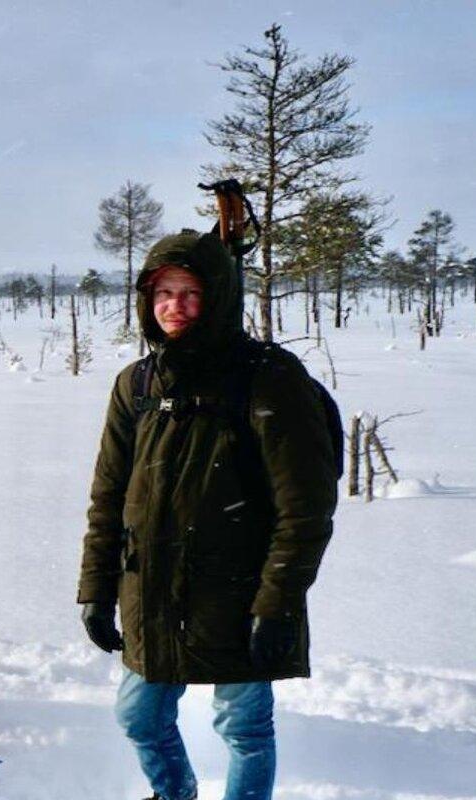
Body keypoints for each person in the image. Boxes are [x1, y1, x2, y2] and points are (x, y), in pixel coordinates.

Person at [77, 229, 338, 800]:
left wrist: (277, 604)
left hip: (240, 590)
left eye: (191, 292)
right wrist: (96, 588)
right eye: (162, 292)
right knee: (140, 716)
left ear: (217, 297)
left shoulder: (268, 374)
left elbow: (306, 509)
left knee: (242, 727)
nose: (174, 306)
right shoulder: (138, 382)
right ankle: (175, 794)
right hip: (150, 587)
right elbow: (109, 496)